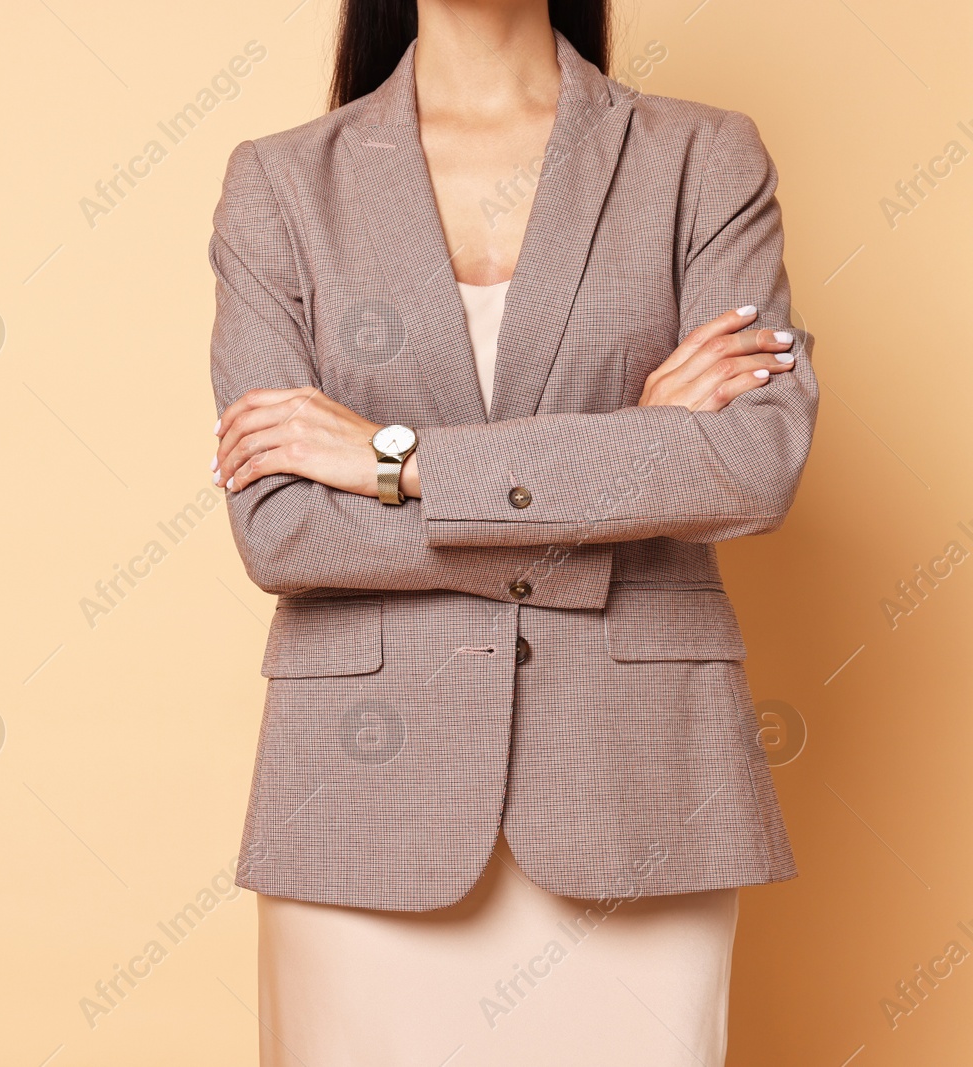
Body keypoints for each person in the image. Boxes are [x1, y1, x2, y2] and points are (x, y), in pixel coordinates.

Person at [206, 1, 818, 1063]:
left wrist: (393, 462)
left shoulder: (700, 157)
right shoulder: (279, 182)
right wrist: (634, 454)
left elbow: (748, 466)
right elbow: (285, 529)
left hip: (637, 789)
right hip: (365, 808)